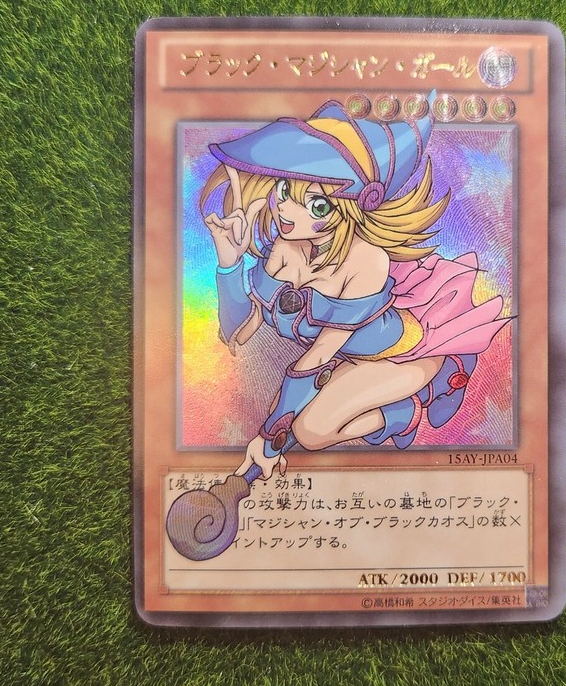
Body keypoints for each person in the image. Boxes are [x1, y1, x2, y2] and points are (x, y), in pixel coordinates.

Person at [201, 95, 510, 482]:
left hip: (403, 357)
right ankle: (396, 408)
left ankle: (423, 395)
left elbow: (314, 359)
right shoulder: (284, 247)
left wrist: (268, 440)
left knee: (310, 432)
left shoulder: (368, 261)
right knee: (309, 427)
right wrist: (229, 264)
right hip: (345, 360)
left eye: (316, 206)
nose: (285, 210)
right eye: (284, 191)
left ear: (351, 208)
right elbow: (238, 332)